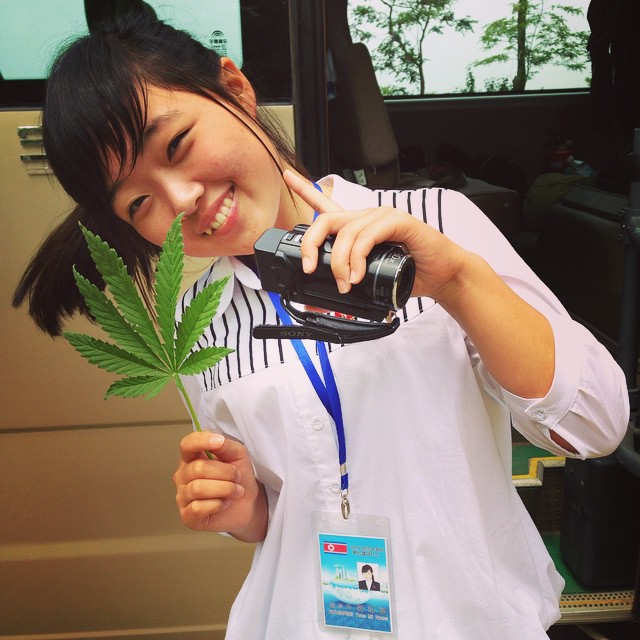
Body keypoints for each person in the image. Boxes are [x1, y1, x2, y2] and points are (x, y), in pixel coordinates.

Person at [13, 13, 629, 640]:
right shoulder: (195, 319)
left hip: (470, 620)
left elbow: (596, 425)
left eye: (176, 146)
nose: (181, 199)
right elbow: (279, 507)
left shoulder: (435, 228)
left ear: (235, 89)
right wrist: (241, 506)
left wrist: (457, 283)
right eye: (139, 202)